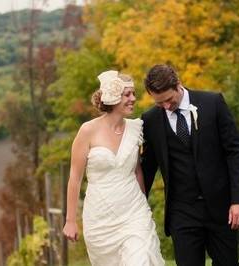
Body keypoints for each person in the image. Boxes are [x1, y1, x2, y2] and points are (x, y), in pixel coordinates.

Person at [141, 64, 239, 266]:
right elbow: (147, 169)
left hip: (221, 207)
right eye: (159, 103)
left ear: (178, 85)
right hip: (182, 211)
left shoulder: (212, 103)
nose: (165, 106)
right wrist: (137, 207)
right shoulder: (150, 120)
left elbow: (235, 152)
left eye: (168, 100)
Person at [62, 70, 164, 266]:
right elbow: (75, 178)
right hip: (100, 218)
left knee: (141, 258)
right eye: (128, 95)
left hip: (134, 212)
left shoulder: (136, 128)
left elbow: (137, 171)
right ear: (112, 98)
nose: (133, 99)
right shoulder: (87, 131)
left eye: (134, 93)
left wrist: (144, 204)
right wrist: (70, 220)